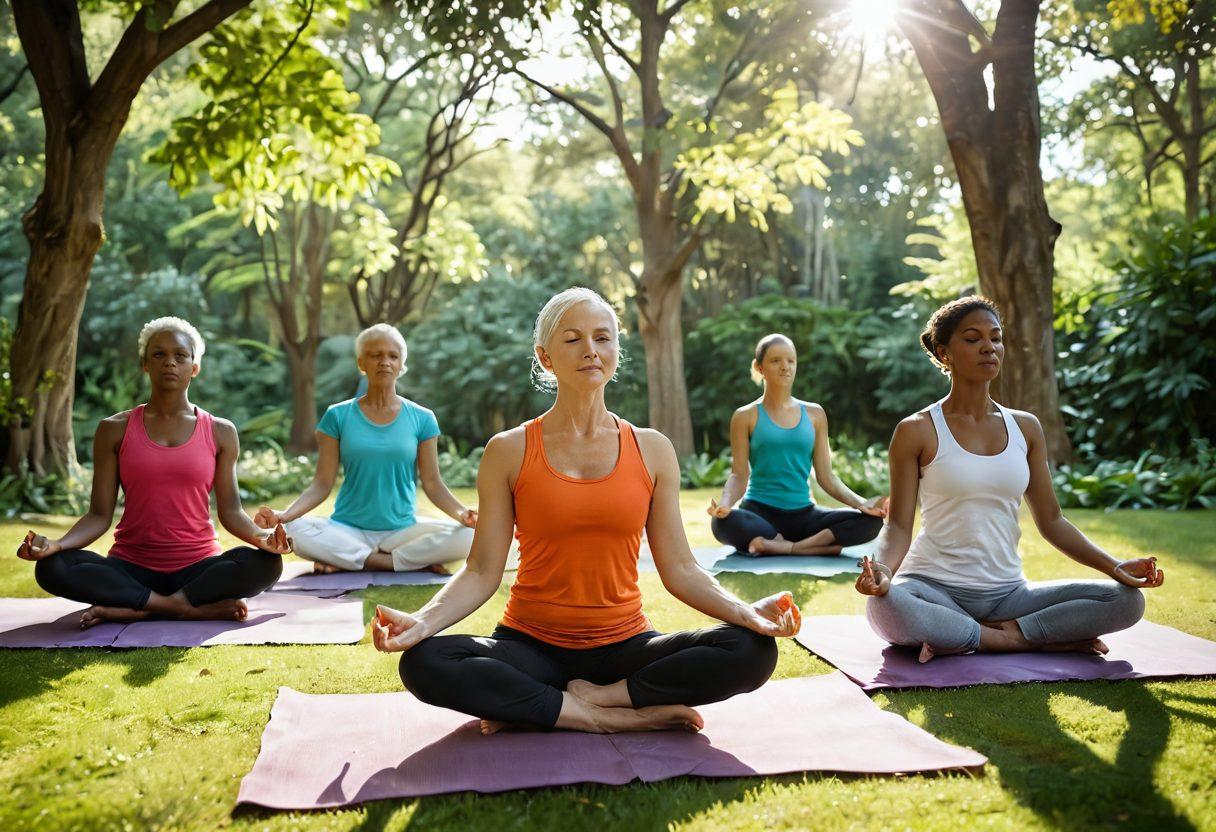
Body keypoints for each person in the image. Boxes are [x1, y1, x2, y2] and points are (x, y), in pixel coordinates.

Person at [372, 287, 800, 734]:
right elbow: (480, 571)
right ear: (546, 357)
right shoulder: (508, 451)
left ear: (616, 348)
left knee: (752, 650)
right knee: (425, 662)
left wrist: (744, 611)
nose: (591, 351)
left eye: (603, 338)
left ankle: (584, 702)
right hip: (529, 647)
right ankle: (599, 716)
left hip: (624, 648)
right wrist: (421, 622)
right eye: (573, 339)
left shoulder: (652, 450)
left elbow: (681, 568)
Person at [855, 296, 1163, 662]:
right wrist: (884, 572)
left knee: (1126, 601)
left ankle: (979, 634)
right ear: (944, 353)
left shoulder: (1025, 428)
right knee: (886, 607)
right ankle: (1024, 639)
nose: (989, 347)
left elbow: (1052, 521)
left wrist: (1115, 567)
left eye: (996, 338)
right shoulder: (917, 430)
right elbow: (899, 526)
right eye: (972, 338)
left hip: (1008, 595)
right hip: (933, 587)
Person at [18, 317, 290, 628]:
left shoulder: (220, 431)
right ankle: (183, 608)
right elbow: (98, 515)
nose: (170, 363)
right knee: (53, 568)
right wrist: (58, 546)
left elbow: (230, 512)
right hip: (130, 567)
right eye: (158, 355)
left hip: (198, 569)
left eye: (180, 355)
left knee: (266, 564)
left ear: (195, 367)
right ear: (145, 364)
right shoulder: (113, 430)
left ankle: (136, 606)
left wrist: (264, 539)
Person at [255, 324, 475, 574]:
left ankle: (352, 560)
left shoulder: (423, 418)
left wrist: (462, 514)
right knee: (295, 529)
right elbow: (321, 484)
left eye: (392, 356)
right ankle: (396, 561)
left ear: (401, 363)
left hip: (403, 532)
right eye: (375, 355)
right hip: (347, 529)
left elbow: (433, 484)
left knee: (472, 535)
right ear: (361, 363)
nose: (384, 362)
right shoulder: (337, 415)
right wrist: (286, 514)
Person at [708, 333, 886, 556]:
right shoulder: (745, 416)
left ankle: (783, 547)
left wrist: (862, 504)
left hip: (804, 516)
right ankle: (808, 547)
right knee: (722, 524)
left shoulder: (815, 414)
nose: (785, 367)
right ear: (759, 367)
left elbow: (826, 477)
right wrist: (725, 504)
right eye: (775, 361)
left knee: (871, 523)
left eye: (791, 361)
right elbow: (739, 476)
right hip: (759, 514)